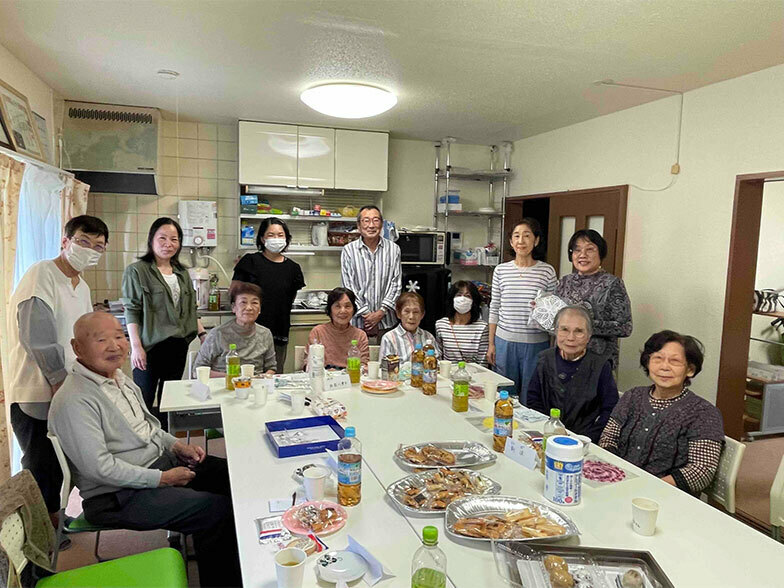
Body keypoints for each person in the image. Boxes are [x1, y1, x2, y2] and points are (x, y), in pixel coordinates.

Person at [48, 312, 241, 587]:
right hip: (115, 496)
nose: (115, 345)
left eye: (119, 336)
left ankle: (227, 554)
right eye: (101, 339)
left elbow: (149, 428)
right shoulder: (74, 400)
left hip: (156, 467)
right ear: (77, 347)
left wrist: (176, 445)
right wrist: (163, 480)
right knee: (217, 512)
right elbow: (100, 468)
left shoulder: (120, 379)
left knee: (233, 475)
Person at [7, 214, 108, 515]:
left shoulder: (82, 287)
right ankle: (36, 542)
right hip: (38, 392)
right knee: (41, 467)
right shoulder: (43, 273)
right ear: (65, 241)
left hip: (66, 389)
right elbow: (37, 336)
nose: (89, 250)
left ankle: (53, 525)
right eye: (83, 242)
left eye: (98, 246)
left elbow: (83, 337)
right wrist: (58, 381)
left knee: (60, 466)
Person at [599, 330, 724, 495]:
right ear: (648, 363)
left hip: (667, 497)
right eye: (658, 358)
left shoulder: (703, 413)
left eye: (675, 361)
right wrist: (615, 475)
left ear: (690, 370)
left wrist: (650, 486)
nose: (665, 367)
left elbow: (701, 471)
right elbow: (608, 438)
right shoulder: (632, 396)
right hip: (619, 485)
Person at [122, 217, 204, 417]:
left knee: (170, 400)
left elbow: (191, 308)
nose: (169, 244)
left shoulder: (182, 273)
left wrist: (202, 334)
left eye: (174, 239)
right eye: (163, 238)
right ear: (152, 240)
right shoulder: (137, 271)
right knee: (144, 400)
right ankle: (144, 444)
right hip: (149, 346)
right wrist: (136, 347)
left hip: (177, 344)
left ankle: (168, 443)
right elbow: (131, 309)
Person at [487, 219, 557, 403]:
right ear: (511, 241)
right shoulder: (501, 270)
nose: (521, 241)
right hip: (504, 343)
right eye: (516, 236)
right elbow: (494, 307)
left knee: (532, 395)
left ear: (536, 241)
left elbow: (552, 313)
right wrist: (491, 344)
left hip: (536, 344)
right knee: (504, 394)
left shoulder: (547, 271)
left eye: (527, 236)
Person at [527, 306, 618, 442]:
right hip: (546, 436)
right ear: (555, 332)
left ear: (589, 336)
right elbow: (533, 400)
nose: (571, 338)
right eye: (564, 330)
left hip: (584, 441)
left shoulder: (601, 366)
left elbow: (610, 409)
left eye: (579, 331)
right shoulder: (544, 359)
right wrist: (548, 431)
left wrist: (587, 439)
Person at [231, 217, 305, 372]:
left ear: (287, 238)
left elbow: (288, 298)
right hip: (248, 330)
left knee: (274, 375)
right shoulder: (250, 261)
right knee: (245, 374)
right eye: (271, 235)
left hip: (278, 331)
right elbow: (234, 293)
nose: (276, 239)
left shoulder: (293, 268)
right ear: (262, 239)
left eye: (280, 235)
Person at [555, 229, 632, 369]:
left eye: (589, 250)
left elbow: (625, 327)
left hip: (598, 361)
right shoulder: (565, 282)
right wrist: (541, 310)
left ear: (600, 253)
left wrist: (584, 326)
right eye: (577, 250)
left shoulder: (612, 283)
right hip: (563, 358)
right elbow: (555, 321)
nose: (582, 255)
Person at [340, 205, 401, 343]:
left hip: (387, 323)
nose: (371, 225)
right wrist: (367, 315)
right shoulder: (349, 251)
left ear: (382, 224)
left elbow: (396, 284)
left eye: (376, 220)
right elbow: (349, 287)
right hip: (358, 323)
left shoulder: (394, 250)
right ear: (359, 226)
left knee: (386, 363)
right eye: (366, 221)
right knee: (356, 361)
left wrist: (381, 312)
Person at [193, 281, 276, 376]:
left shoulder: (265, 334)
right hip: (222, 384)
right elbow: (197, 371)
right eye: (243, 302)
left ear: (260, 309)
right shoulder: (218, 334)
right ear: (233, 307)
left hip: (255, 385)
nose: (249, 307)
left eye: (254, 303)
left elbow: (271, 368)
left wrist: (261, 377)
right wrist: (233, 377)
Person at [306, 287, 370, 370]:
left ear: (353, 309)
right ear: (330, 309)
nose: (343, 311)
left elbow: (363, 365)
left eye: (347, 306)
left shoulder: (360, 335)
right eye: (337, 306)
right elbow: (309, 365)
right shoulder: (318, 332)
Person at [435, 280, 489, 364]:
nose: (462, 299)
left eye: (467, 296)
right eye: (459, 295)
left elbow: (483, 362)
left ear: (474, 301)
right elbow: (439, 356)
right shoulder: (441, 325)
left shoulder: (482, 327)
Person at [379, 292, 440, 363]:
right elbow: (384, 368)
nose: (411, 317)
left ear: (422, 315)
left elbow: (436, 364)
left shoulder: (429, 337)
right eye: (407, 311)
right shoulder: (389, 338)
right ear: (398, 314)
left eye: (416, 312)